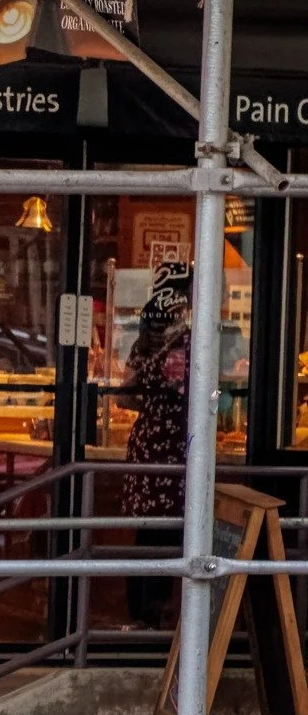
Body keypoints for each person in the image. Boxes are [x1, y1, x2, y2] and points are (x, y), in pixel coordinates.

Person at [121, 262, 191, 629]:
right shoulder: (181, 343)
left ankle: (147, 613)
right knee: (166, 531)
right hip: (171, 447)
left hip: (149, 443)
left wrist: (148, 404)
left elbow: (124, 395)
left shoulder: (149, 336)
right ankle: (156, 612)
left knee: (148, 530)